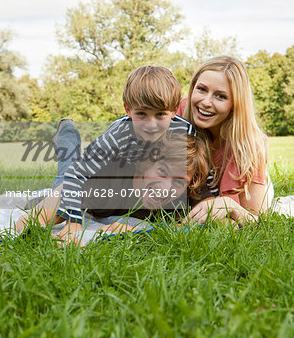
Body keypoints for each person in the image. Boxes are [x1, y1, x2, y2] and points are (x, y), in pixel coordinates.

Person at [17, 65, 208, 242]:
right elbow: (77, 175)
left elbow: (192, 171)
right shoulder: (116, 137)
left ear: (174, 111)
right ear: (128, 110)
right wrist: (73, 224)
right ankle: (67, 139)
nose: (151, 124)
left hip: (136, 181)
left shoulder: (184, 133)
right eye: (141, 114)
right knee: (67, 172)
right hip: (110, 168)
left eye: (160, 115)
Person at [176, 55, 272, 225]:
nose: (205, 102)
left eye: (220, 96)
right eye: (202, 89)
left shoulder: (250, 146)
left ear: (235, 104)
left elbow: (256, 218)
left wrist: (229, 205)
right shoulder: (179, 112)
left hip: (244, 184)